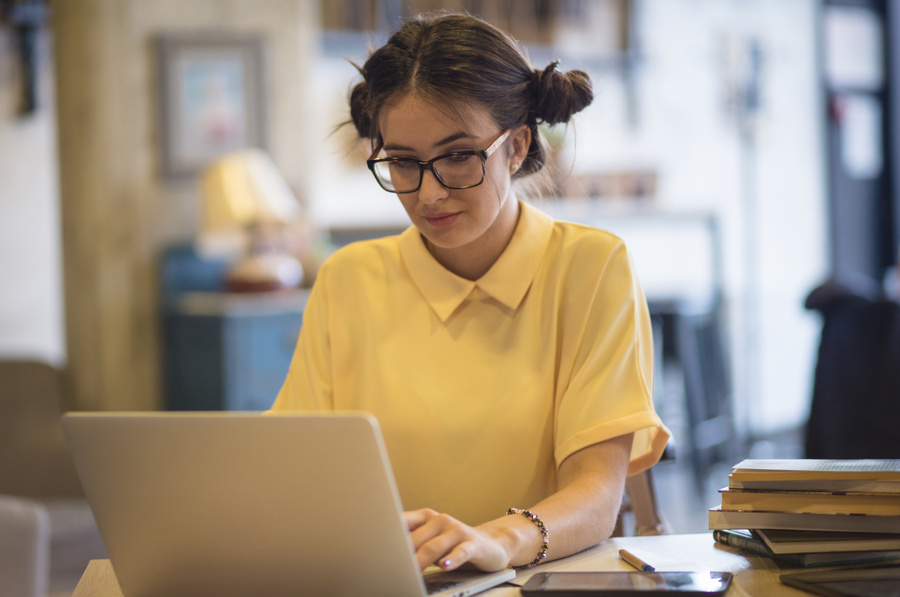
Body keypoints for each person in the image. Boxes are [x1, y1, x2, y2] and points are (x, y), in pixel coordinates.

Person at [270, 11, 669, 574]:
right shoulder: (349, 278)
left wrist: (497, 542)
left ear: (516, 145)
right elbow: (294, 470)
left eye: (458, 156)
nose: (429, 193)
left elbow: (597, 497)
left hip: (532, 580)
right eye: (403, 162)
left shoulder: (591, 266)